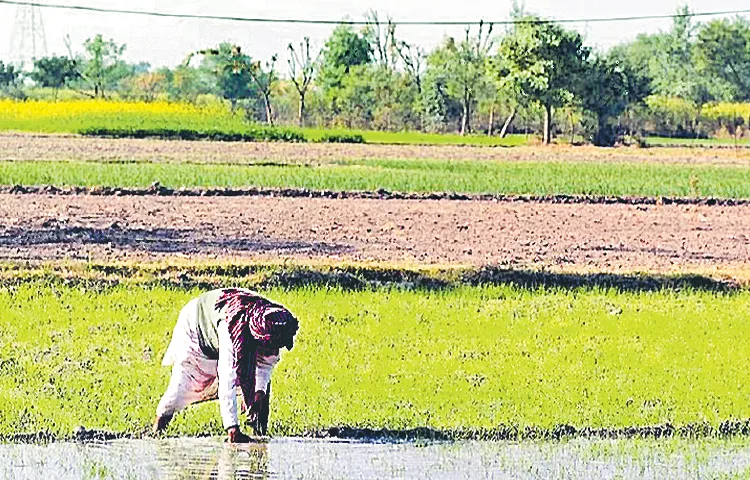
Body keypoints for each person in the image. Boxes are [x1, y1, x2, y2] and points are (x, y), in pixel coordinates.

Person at [153, 288, 298, 443]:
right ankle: (156, 432)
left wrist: (259, 392)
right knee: (181, 386)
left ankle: (260, 435)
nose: (273, 351)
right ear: (258, 338)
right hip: (196, 328)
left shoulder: (273, 325)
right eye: (269, 347)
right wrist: (232, 428)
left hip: (236, 329)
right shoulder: (232, 330)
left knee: (260, 395)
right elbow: (227, 378)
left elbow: (266, 363)